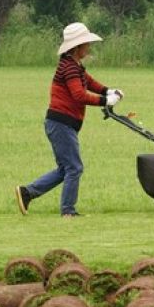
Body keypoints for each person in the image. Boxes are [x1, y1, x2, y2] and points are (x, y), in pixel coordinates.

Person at [15, 22, 123, 217]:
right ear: (77, 47)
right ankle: (68, 211)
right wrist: (105, 101)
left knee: (66, 168)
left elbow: (89, 82)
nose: (89, 47)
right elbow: (79, 95)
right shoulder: (70, 68)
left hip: (62, 124)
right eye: (86, 44)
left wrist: (108, 90)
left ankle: (27, 193)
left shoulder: (74, 66)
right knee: (74, 167)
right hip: (61, 124)